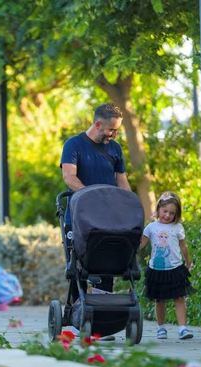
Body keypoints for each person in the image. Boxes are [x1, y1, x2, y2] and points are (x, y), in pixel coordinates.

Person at [60, 103, 131, 293]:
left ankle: (103, 312)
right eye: (112, 130)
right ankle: (77, 315)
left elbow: (122, 182)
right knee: (78, 269)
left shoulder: (115, 149)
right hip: (79, 217)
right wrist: (91, 197)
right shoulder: (74, 145)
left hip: (108, 219)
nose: (114, 135)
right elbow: (69, 177)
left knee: (107, 266)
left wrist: (130, 207)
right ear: (98, 124)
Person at [140, 191, 194, 340]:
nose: (167, 215)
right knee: (160, 300)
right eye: (165, 211)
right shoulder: (151, 227)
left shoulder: (177, 227)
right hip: (157, 270)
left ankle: (183, 328)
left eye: (172, 213)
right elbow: (142, 244)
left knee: (179, 298)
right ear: (158, 210)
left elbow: (183, 246)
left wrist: (188, 260)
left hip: (175, 268)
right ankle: (161, 327)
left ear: (176, 215)